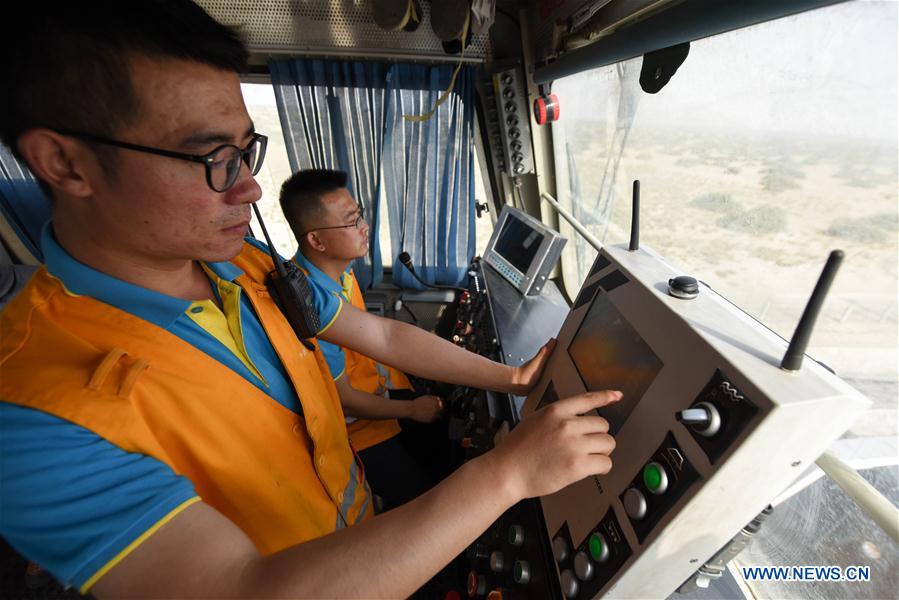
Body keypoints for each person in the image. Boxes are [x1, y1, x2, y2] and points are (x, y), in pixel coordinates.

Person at [0, 2, 619, 598]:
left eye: (246, 150)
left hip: (364, 541)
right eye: (212, 157)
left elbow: (376, 336)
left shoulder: (246, 265)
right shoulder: (28, 409)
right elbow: (237, 591)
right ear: (64, 164)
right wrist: (507, 474)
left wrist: (510, 377)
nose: (248, 186)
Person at [280, 169, 442, 510]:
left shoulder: (340, 271)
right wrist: (411, 409)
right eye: (352, 221)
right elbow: (346, 401)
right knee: (426, 500)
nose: (364, 227)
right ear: (317, 241)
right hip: (359, 434)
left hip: (381, 398)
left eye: (361, 215)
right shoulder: (309, 309)